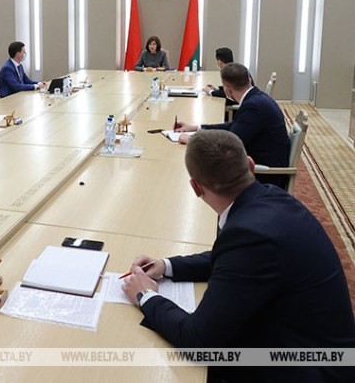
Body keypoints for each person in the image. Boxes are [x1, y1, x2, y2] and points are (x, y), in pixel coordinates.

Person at [122, 130, 355, 382]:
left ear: (195, 187)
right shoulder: (271, 199)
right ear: (250, 165)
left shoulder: (250, 235)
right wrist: (166, 266)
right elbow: (230, 259)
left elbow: (198, 341)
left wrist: (146, 296)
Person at [174, 63, 290, 189]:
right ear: (249, 80)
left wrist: (192, 140)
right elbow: (233, 126)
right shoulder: (256, 98)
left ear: (227, 91)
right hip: (262, 160)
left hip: (267, 175)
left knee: (206, 168)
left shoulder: (252, 106)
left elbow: (229, 145)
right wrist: (196, 128)